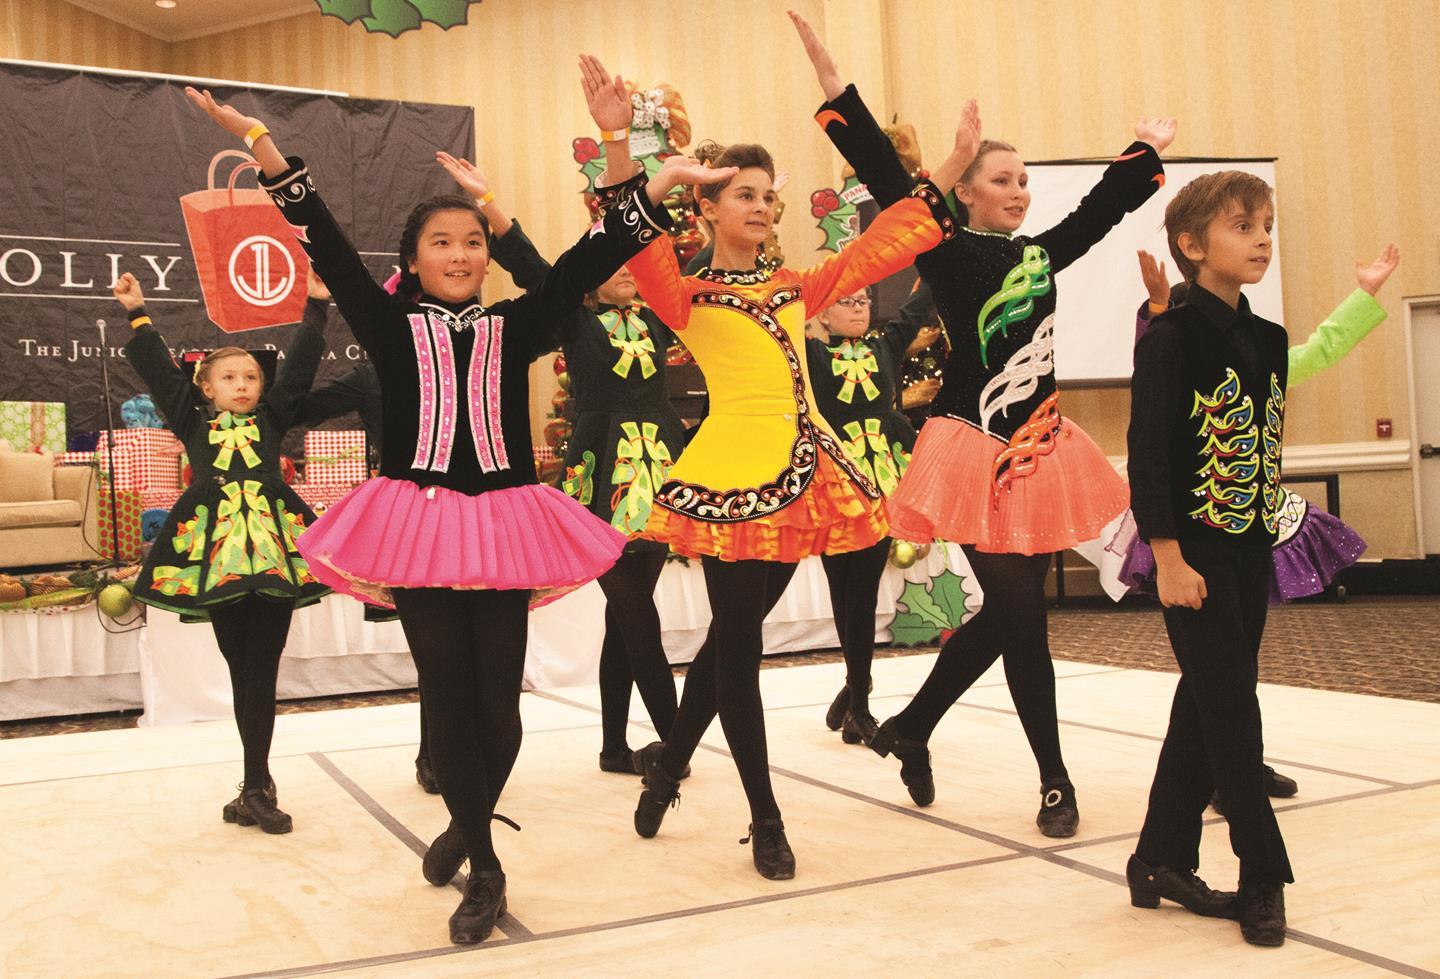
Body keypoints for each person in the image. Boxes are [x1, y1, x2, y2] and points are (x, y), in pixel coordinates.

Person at [181, 56, 729, 945]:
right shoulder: (388, 322)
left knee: (501, 711)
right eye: (442, 242)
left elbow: (591, 257)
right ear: (413, 260)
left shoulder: (520, 322)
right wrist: (257, 141)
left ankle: (464, 825)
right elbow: (320, 233)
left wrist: (634, 158)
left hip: (506, 521)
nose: (462, 254)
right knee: (446, 693)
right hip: (419, 524)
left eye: (472, 241)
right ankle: (487, 862)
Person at [792, 9, 1174, 836]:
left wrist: (1143, 152)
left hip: (1041, 449)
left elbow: (1099, 212)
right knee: (1024, 617)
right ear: (965, 192)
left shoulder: (1039, 254)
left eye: (1024, 179)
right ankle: (1054, 781)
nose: (1020, 190)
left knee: (1007, 614)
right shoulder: (945, 247)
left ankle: (911, 726)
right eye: (1002, 179)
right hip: (974, 448)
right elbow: (890, 181)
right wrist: (836, 90)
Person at [612, 92, 977, 880]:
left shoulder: (793, 285)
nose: (760, 206)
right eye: (743, 194)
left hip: (807, 478)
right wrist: (617, 138)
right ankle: (765, 816)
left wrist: (951, 165)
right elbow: (627, 229)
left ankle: (667, 768)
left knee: (728, 641)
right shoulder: (683, 293)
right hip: (732, 481)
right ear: (706, 208)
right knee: (738, 650)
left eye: (766, 196)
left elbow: (884, 242)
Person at [455, 156, 682, 775]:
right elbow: (531, 265)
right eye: (612, 264)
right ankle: (676, 740)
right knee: (636, 614)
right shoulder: (574, 321)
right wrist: (489, 203)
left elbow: (686, 259)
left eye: (631, 262)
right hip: (602, 471)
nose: (626, 270)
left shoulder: (661, 318)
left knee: (628, 614)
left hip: (660, 469)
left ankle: (614, 748)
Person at [1126, 170, 1293, 947]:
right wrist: (1167, 555)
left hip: (1249, 545)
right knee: (1232, 713)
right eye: (1242, 226)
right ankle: (1263, 873)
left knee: (1206, 700)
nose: (1262, 240)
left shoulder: (1270, 339)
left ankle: (1158, 858)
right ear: (1192, 245)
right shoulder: (1170, 336)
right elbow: (1149, 454)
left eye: (1266, 226)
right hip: (1192, 552)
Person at [112, 271, 328, 835]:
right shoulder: (192, 423)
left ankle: (255, 786)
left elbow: (300, 368)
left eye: (251, 376)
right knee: (241, 667)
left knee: (265, 666)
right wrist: (137, 314)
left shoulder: (271, 419)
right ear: (206, 389)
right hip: (218, 560)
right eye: (228, 377)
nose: (242, 384)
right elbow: (160, 375)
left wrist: (317, 305)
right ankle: (256, 784)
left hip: (276, 555)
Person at [289, 272, 443, 795]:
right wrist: (315, 313)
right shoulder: (372, 375)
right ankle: (436, 753)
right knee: (434, 647)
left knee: (469, 645)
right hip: (413, 523)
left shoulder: (475, 361)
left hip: (473, 517)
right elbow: (294, 407)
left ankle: (453, 750)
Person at [806, 281, 939, 744]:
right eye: (846, 302)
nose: (858, 309)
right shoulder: (811, 354)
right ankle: (855, 687)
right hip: (831, 481)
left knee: (861, 589)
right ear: (822, 314)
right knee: (841, 589)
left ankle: (859, 704)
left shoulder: (884, 346)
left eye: (863, 301)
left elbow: (916, 308)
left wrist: (940, 254)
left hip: (878, 482)